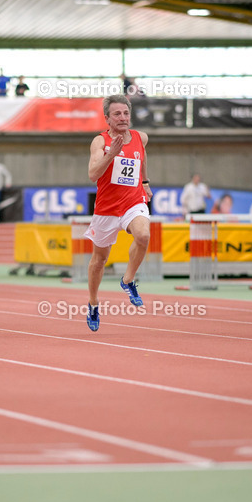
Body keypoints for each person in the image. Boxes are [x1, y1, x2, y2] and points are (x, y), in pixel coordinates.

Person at [83, 94, 153, 331]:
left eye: (125, 113)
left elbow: (141, 158)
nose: (123, 118)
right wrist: (111, 153)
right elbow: (93, 174)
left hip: (133, 201)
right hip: (107, 209)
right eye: (117, 114)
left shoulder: (140, 137)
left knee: (143, 236)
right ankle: (93, 303)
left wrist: (144, 183)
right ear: (107, 118)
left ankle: (128, 280)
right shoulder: (99, 142)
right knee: (99, 260)